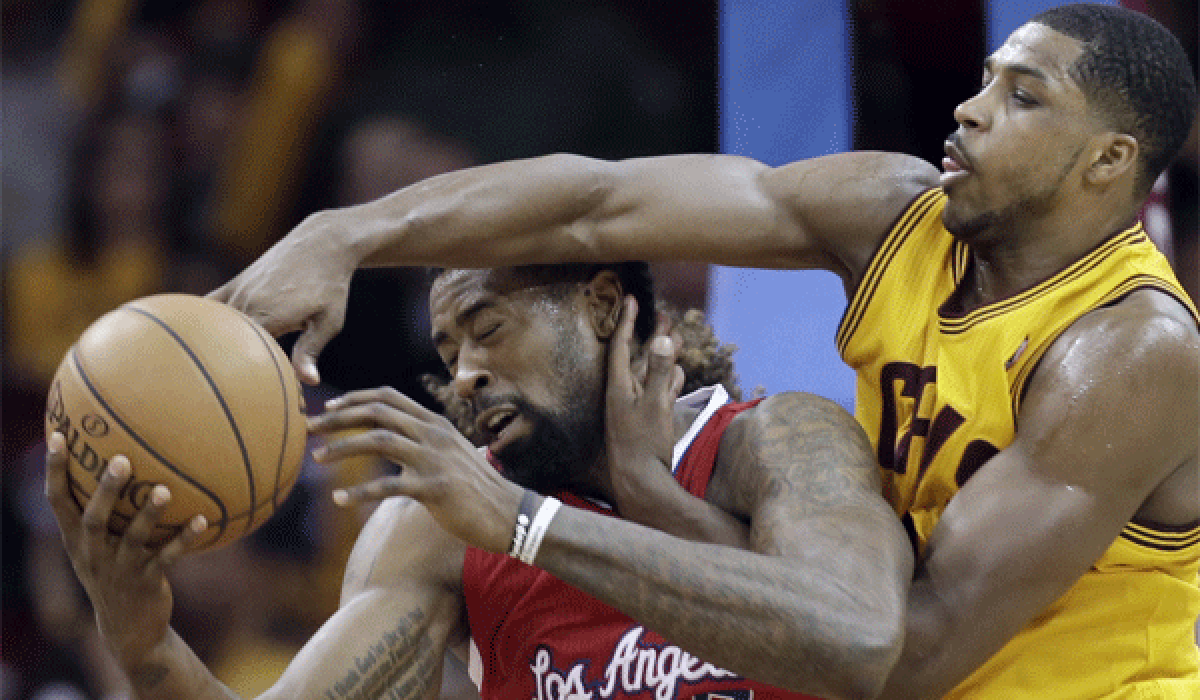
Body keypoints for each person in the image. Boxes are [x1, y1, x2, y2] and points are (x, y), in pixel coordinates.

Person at [206, 4, 1200, 698]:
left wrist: (526, 519)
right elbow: (598, 203)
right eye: (985, 81)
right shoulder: (898, 213)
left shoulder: (1131, 353)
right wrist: (346, 233)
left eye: (1022, 98)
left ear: (1109, 162)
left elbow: (901, 652)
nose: (971, 109)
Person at [45, 262, 913, 700]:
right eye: (449, 351)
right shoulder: (443, 528)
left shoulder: (776, 438)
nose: (463, 374)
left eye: (487, 328)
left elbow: (857, 638)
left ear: (603, 306)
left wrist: (538, 520)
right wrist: (143, 645)